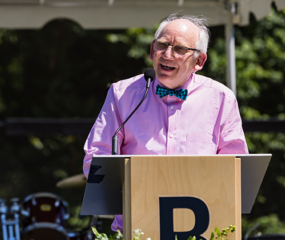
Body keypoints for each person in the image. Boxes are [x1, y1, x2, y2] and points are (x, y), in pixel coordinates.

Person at [82, 13, 249, 232]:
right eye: (162, 46)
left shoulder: (221, 99)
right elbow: (96, 158)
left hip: (202, 229)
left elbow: (237, 170)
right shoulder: (121, 94)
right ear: (152, 50)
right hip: (136, 228)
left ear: (199, 61)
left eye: (179, 49)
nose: (167, 54)